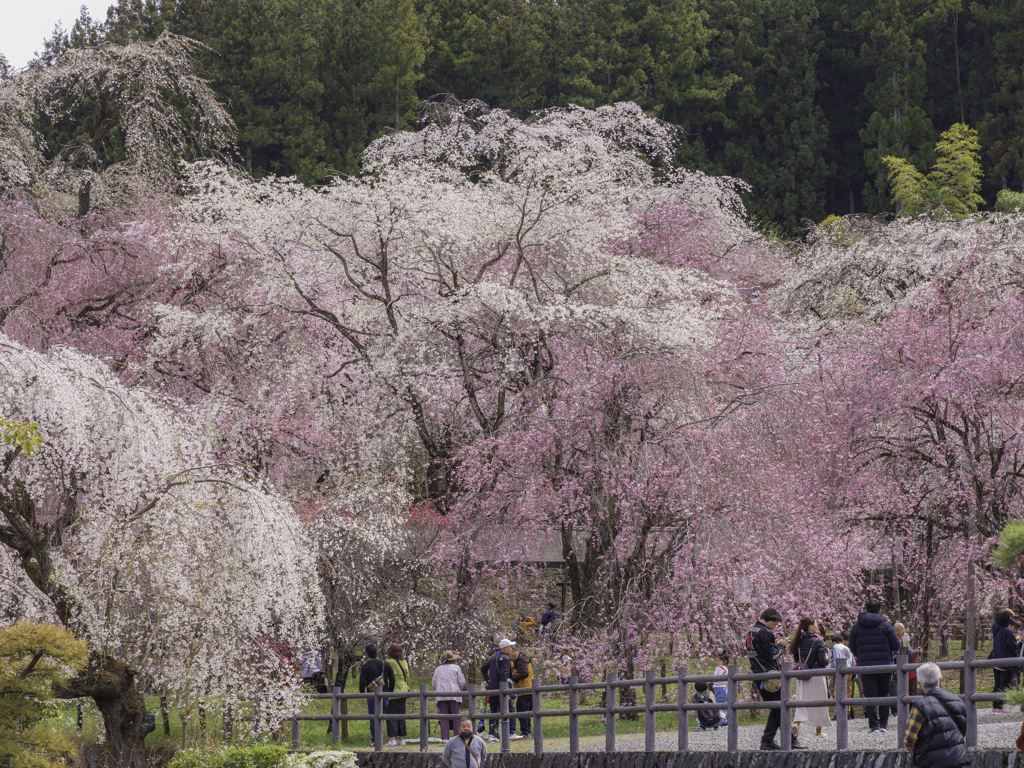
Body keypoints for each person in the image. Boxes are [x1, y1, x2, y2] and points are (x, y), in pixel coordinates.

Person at [904, 662, 968, 768]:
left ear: (919, 683)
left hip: (929, 761)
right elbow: (962, 728)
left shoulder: (919, 705)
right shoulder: (957, 700)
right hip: (957, 757)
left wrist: (913, 750)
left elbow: (910, 738)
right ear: (940, 680)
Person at [849, 598, 899, 733]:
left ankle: (874, 726)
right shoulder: (886, 625)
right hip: (884, 665)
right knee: (884, 694)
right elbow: (896, 645)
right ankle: (883, 724)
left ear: (865, 610)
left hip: (866, 666)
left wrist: (861, 655)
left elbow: (852, 647)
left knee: (870, 695)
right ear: (880, 611)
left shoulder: (857, 626)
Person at [746, 607, 787, 751]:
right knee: (781, 707)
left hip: (758, 673)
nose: (775, 626)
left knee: (777, 708)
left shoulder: (751, 631)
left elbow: (761, 652)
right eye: (775, 623)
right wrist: (781, 646)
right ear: (771, 619)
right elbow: (772, 656)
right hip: (770, 675)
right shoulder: (765, 632)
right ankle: (778, 740)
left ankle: (769, 740)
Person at [790, 617, 830, 744]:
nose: (818, 625)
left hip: (802, 675)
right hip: (816, 676)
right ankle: (818, 729)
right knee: (819, 701)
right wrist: (828, 658)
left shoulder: (798, 641)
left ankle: (796, 724)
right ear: (811, 627)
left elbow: (797, 659)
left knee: (801, 701)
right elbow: (822, 662)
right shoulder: (819, 642)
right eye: (816, 623)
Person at [358, 644, 396, 746]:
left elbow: (362, 682)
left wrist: (362, 694)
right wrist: (390, 692)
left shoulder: (365, 666)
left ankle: (375, 740)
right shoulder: (385, 664)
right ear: (378, 652)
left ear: (367, 655)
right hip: (385, 693)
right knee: (381, 717)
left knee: (373, 718)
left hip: (371, 694)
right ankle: (378, 739)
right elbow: (392, 679)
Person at [480, 641, 512, 741]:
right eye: (510, 647)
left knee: (494, 712)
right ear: (505, 648)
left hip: (493, 688)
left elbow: (483, 668)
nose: (511, 649)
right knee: (510, 709)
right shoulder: (505, 659)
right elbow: (505, 673)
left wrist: (488, 679)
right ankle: (510, 732)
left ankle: (492, 734)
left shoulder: (493, 659)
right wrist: (504, 687)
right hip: (501, 688)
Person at [432, 651, 467, 740]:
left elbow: (434, 683)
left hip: (441, 696)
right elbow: (462, 682)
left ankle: (445, 738)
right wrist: (459, 689)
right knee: (456, 717)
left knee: (444, 718)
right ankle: (457, 737)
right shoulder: (456, 668)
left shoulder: (438, 669)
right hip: (454, 695)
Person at [990, 608, 1019, 713]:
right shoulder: (1007, 632)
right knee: (1004, 685)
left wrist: (1004, 611)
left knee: (997, 684)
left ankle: (995, 706)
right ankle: (1000, 707)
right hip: (1005, 661)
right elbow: (1012, 648)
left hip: (995, 658)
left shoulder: (995, 627)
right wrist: (1017, 641)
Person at [505, 639, 534, 739]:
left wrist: (511, 678)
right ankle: (527, 731)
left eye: (509, 656)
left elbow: (524, 674)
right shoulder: (522, 659)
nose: (510, 659)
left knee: (522, 712)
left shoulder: (520, 660)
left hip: (524, 689)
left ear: (513, 652)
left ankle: (525, 732)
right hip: (528, 688)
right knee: (527, 712)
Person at [385, 643, 410, 746]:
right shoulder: (404, 662)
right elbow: (407, 676)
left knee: (390, 715)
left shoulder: (387, 662)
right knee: (401, 715)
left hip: (393, 691)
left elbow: (386, 678)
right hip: (403, 690)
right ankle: (401, 738)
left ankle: (392, 739)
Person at [830, 632, 854, 719]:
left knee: (838, 692)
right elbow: (852, 661)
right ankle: (847, 713)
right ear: (842, 641)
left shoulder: (836, 647)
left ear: (834, 642)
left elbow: (837, 658)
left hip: (841, 670)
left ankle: (839, 714)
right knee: (848, 692)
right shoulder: (847, 648)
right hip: (849, 671)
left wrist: (835, 670)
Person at [712, 651, 730, 722]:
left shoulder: (718, 668)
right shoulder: (726, 668)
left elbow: (715, 676)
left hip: (719, 688)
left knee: (719, 704)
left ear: (724, 661)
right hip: (725, 687)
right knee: (725, 704)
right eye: (716, 661)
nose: (717, 662)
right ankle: (724, 720)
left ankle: (722, 721)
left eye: (719, 661)